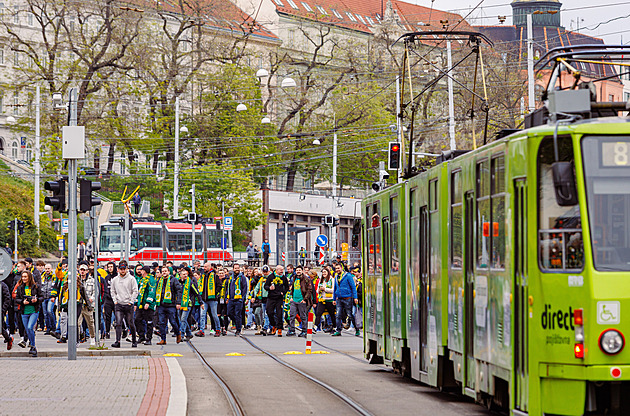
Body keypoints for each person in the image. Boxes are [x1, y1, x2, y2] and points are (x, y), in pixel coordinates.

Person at [110, 260, 139, 348]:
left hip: (128, 304)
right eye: (121, 269)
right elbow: (112, 291)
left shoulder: (131, 279)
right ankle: (117, 341)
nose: (122, 271)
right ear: (118, 269)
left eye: (124, 269)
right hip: (119, 304)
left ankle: (134, 341)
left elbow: (135, 291)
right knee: (118, 323)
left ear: (126, 269)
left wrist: (131, 301)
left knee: (130, 323)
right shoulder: (115, 279)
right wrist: (115, 300)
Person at [15, 270, 42, 357]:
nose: (24, 278)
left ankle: (33, 346)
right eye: (23, 277)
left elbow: (42, 297)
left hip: (34, 311)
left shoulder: (36, 286)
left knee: (30, 327)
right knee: (27, 330)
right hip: (24, 312)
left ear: (29, 277)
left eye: (25, 277)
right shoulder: (20, 287)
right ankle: (32, 347)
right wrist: (23, 302)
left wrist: (36, 300)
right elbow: (16, 299)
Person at [156, 266, 182, 345]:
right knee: (161, 322)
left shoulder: (173, 280)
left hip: (171, 304)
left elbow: (179, 291)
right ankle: (163, 339)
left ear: (169, 272)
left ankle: (178, 333)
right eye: (162, 271)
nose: (164, 272)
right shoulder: (159, 281)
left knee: (173, 321)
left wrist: (178, 302)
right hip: (161, 305)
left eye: (165, 271)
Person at [332, 263, 360, 337]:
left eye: (338, 268)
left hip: (347, 298)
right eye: (336, 268)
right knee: (338, 315)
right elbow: (335, 288)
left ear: (341, 268)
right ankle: (338, 330)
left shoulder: (348, 276)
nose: (337, 270)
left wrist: (355, 297)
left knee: (350, 314)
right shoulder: (336, 277)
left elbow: (353, 287)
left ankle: (357, 329)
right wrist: (334, 299)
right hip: (339, 298)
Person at [287, 265, 312, 337]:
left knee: (303, 316)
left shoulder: (306, 279)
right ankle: (292, 330)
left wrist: (305, 299)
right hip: (294, 300)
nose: (298, 271)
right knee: (292, 315)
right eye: (297, 270)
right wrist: (291, 296)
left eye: (299, 270)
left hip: (301, 301)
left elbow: (309, 290)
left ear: (302, 271)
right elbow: (292, 288)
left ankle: (304, 331)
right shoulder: (294, 278)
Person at [196, 262, 221, 337]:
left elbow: (219, 286)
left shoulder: (214, 276)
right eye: (204, 266)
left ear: (210, 267)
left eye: (206, 267)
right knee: (202, 315)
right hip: (204, 299)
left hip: (212, 299)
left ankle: (218, 329)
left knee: (214, 315)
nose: (204, 268)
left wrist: (215, 293)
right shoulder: (203, 276)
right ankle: (201, 330)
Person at [264, 265, 288, 337]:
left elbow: (287, 287)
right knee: (269, 312)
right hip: (271, 297)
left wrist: (283, 292)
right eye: (280, 270)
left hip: (279, 298)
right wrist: (269, 288)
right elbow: (265, 286)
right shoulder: (271, 277)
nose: (282, 271)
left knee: (279, 314)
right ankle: (274, 325)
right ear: (276, 270)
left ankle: (280, 329)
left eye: (282, 270)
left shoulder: (284, 278)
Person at [135, 265, 156, 345]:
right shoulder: (142, 280)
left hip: (148, 305)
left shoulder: (151, 280)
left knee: (149, 322)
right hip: (141, 304)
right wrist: (136, 303)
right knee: (137, 319)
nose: (140, 271)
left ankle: (149, 338)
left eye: (141, 270)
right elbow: (139, 292)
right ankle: (141, 336)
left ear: (144, 271)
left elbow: (152, 291)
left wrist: (148, 302)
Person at [177, 266, 199, 341]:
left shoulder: (190, 282)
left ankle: (182, 335)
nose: (185, 276)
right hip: (179, 304)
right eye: (183, 274)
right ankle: (189, 333)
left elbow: (196, 292)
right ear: (180, 275)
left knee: (183, 319)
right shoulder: (177, 282)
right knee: (182, 319)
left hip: (188, 304)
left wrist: (200, 302)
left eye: (186, 274)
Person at [78, 262, 97, 346]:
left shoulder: (92, 280)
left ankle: (92, 338)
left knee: (90, 323)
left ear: (87, 271)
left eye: (84, 270)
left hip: (87, 305)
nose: (82, 272)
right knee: (77, 323)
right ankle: (77, 339)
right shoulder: (77, 280)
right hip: (79, 304)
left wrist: (91, 299)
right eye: (81, 270)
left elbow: (95, 292)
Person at [227, 263, 248, 336]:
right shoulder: (231, 277)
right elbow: (228, 287)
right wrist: (227, 296)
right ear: (233, 269)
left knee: (238, 314)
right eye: (235, 268)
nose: (237, 269)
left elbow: (245, 288)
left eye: (238, 268)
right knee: (229, 313)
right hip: (231, 299)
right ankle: (237, 323)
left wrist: (242, 298)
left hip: (238, 299)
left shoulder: (242, 277)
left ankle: (238, 329)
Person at [315, 267, 336, 333]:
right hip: (322, 299)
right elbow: (317, 290)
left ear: (328, 273)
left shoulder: (332, 280)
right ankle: (315, 327)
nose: (323, 273)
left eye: (325, 272)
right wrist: (319, 290)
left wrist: (325, 289)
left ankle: (334, 327)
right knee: (318, 313)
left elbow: (333, 290)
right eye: (323, 272)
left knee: (332, 314)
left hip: (330, 299)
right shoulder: (321, 280)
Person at [39, 262, 57, 336]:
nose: (47, 270)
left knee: (50, 311)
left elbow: (55, 286)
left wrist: (54, 296)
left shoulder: (54, 276)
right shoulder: (42, 276)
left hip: (51, 297)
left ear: (51, 269)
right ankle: (48, 328)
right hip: (44, 297)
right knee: (45, 313)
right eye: (46, 268)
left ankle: (53, 327)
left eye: (48, 268)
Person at [102, 262, 116, 339]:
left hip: (116, 299)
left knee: (118, 316)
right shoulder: (107, 277)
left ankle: (122, 329)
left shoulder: (117, 277)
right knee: (107, 317)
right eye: (109, 267)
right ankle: (107, 332)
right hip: (108, 299)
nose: (110, 268)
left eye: (111, 266)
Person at [1, 278, 13, 350]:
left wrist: (3, 309)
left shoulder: (2, 285)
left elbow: (7, 298)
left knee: (1, 327)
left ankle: (8, 339)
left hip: (0, 310)